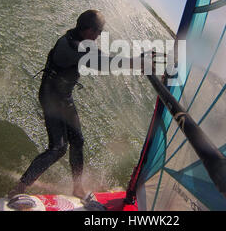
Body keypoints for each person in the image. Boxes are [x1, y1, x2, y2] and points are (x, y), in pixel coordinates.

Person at [8, 10, 152, 199]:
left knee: (78, 141)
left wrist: (136, 60)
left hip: (64, 97)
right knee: (58, 148)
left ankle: (77, 188)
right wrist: (134, 63)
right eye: (98, 32)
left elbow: (103, 56)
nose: (99, 36)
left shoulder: (80, 39)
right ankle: (20, 187)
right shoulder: (71, 46)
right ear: (89, 30)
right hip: (51, 97)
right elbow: (102, 64)